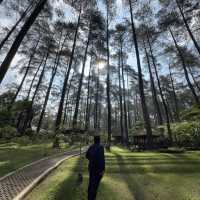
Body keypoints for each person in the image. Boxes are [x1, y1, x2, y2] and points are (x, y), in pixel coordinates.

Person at [86, 136, 105, 200]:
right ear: (99, 140)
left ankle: (89, 197)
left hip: (91, 168)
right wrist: (102, 169)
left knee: (91, 183)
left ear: (94, 140)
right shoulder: (101, 147)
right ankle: (92, 198)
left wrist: (91, 160)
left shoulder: (91, 147)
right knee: (95, 185)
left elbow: (87, 155)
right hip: (97, 169)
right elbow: (102, 159)